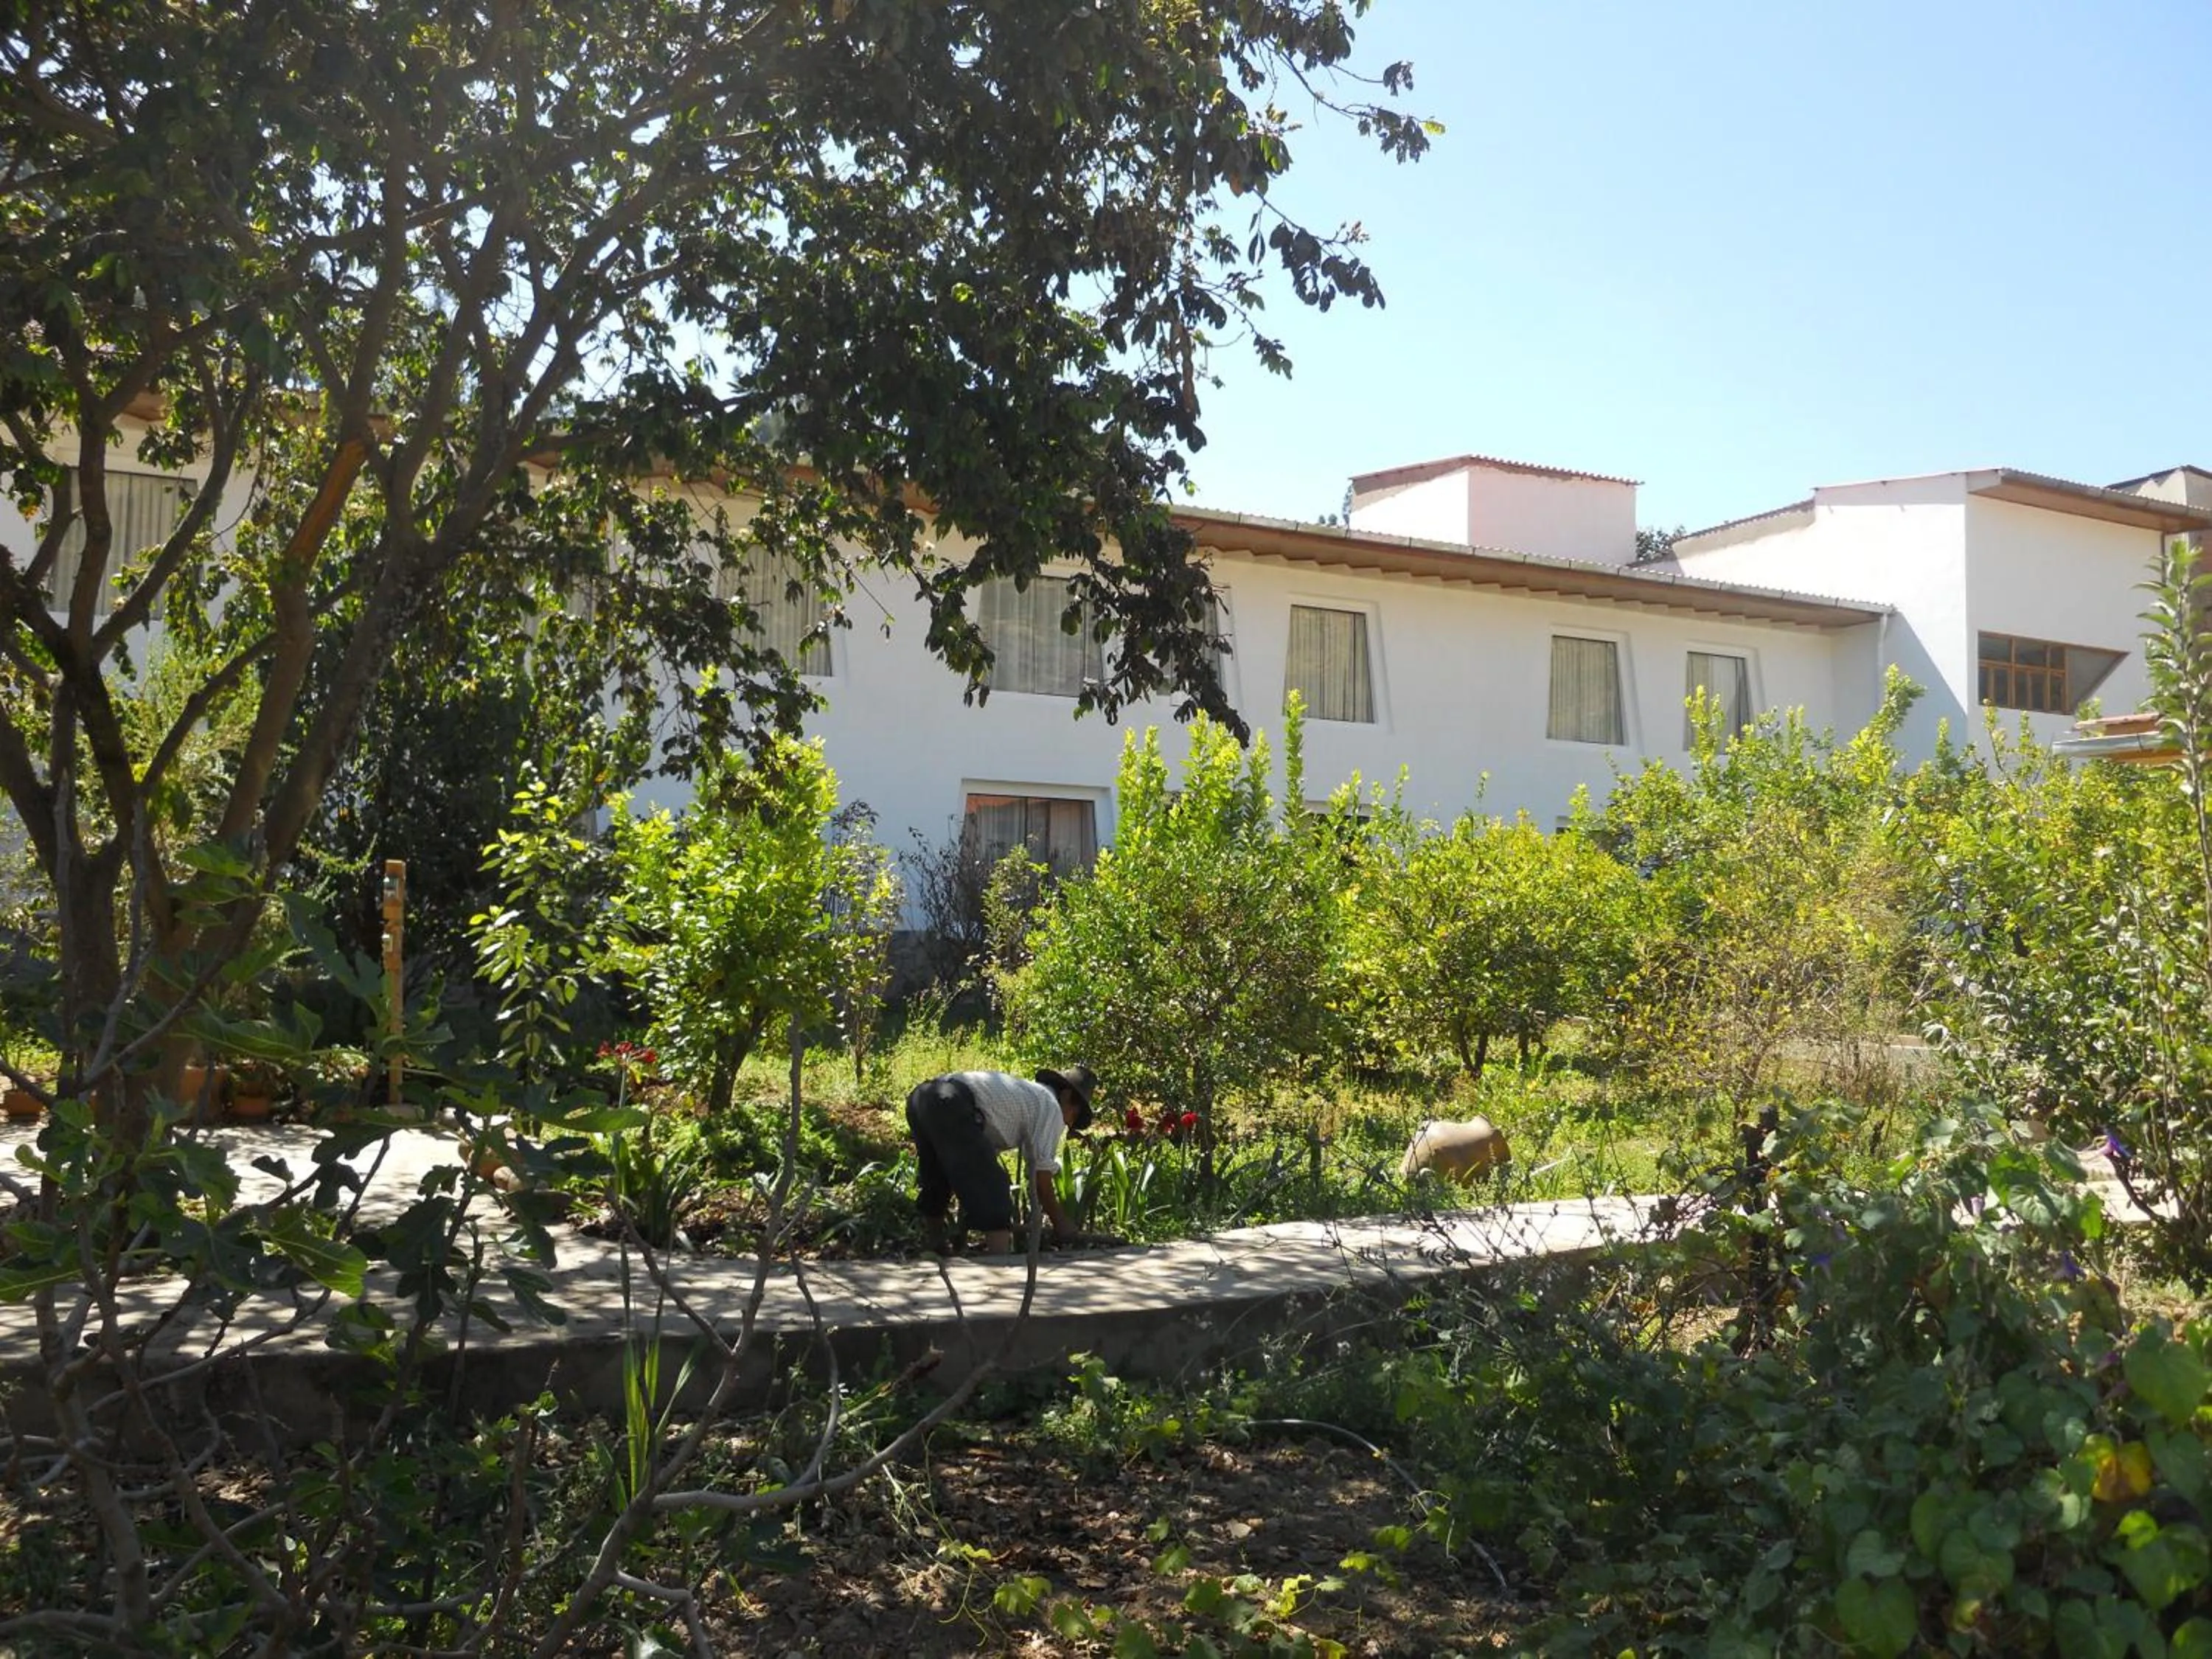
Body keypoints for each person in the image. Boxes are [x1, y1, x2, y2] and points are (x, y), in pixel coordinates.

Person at [905, 1065, 1097, 1256]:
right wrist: (1061, 1223)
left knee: (938, 1174)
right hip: (952, 1102)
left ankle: (936, 1246)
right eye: (1074, 1115)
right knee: (994, 1186)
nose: (1069, 1124)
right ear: (1065, 1096)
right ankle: (1000, 1262)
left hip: (922, 1097)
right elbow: (1041, 1180)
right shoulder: (1051, 1107)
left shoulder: (1028, 1095)